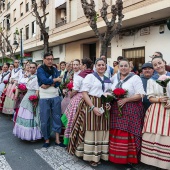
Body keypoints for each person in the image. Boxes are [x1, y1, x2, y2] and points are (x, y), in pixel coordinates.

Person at [68, 58, 112, 166]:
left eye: (103, 65)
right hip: (90, 103)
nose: (101, 67)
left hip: (103, 104)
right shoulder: (90, 77)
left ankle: (100, 154)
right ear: (95, 67)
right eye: (99, 65)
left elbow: (108, 92)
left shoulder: (107, 79)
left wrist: (108, 103)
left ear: (105, 66)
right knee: (91, 127)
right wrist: (93, 107)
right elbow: (84, 93)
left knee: (102, 128)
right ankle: (90, 155)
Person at [109, 58, 145, 164]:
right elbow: (109, 89)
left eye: (126, 66)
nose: (123, 68)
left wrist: (126, 99)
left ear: (130, 67)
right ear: (118, 67)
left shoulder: (135, 78)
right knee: (116, 130)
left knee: (128, 132)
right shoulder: (115, 77)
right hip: (116, 108)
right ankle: (114, 157)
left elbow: (140, 94)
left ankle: (129, 159)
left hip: (131, 108)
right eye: (121, 66)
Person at [141, 56, 170, 169]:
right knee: (153, 132)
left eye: (159, 63)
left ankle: (165, 162)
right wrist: (159, 99)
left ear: (164, 63)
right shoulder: (151, 80)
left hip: (168, 109)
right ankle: (151, 160)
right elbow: (150, 97)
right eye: (155, 65)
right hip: (156, 110)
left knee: (166, 134)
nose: (158, 66)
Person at [62, 58, 93, 146]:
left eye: (80, 64)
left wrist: (71, 95)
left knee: (71, 118)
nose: (78, 66)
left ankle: (73, 139)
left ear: (84, 66)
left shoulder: (80, 76)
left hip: (80, 97)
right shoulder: (94, 74)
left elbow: (75, 89)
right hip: (92, 98)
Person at [37, 53, 65, 148]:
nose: (50, 61)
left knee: (57, 117)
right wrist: (55, 80)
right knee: (45, 119)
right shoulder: (40, 70)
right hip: (44, 97)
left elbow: (58, 83)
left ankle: (57, 139)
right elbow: (43, 80)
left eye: (51, 59)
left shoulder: (54, 69)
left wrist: (49, 84)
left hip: (55, 96)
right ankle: (47, 139)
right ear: (44, 59)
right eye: (48, 59)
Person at [13, 63, 42, 141]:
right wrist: (21, 88)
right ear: (28, 68)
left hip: (33, 96)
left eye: (33, 67)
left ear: (36, 68)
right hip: (27, 96)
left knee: (32, 114)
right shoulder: (30, 77)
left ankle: (33, 135)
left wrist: (35, 99)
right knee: (24, 113)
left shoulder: (37, 77)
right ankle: (25, 134)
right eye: (30, 67)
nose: (32, 69)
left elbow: (37, 89)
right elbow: (27, 88)